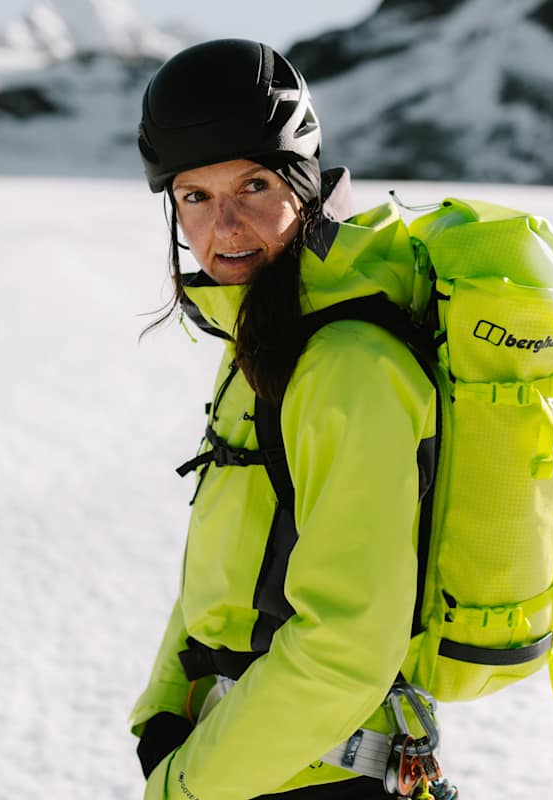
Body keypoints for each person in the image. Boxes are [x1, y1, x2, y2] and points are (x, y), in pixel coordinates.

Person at [128, 39, 441, 800]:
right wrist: (166, 707)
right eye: (194, 197)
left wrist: (185, 788)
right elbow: (228, 568)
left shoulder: (348, 368)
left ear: (304, 183)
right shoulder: (268, 347)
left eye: (254, 185)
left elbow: (344, 648)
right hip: (247, 762)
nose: (224, 228)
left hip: (318, 776)